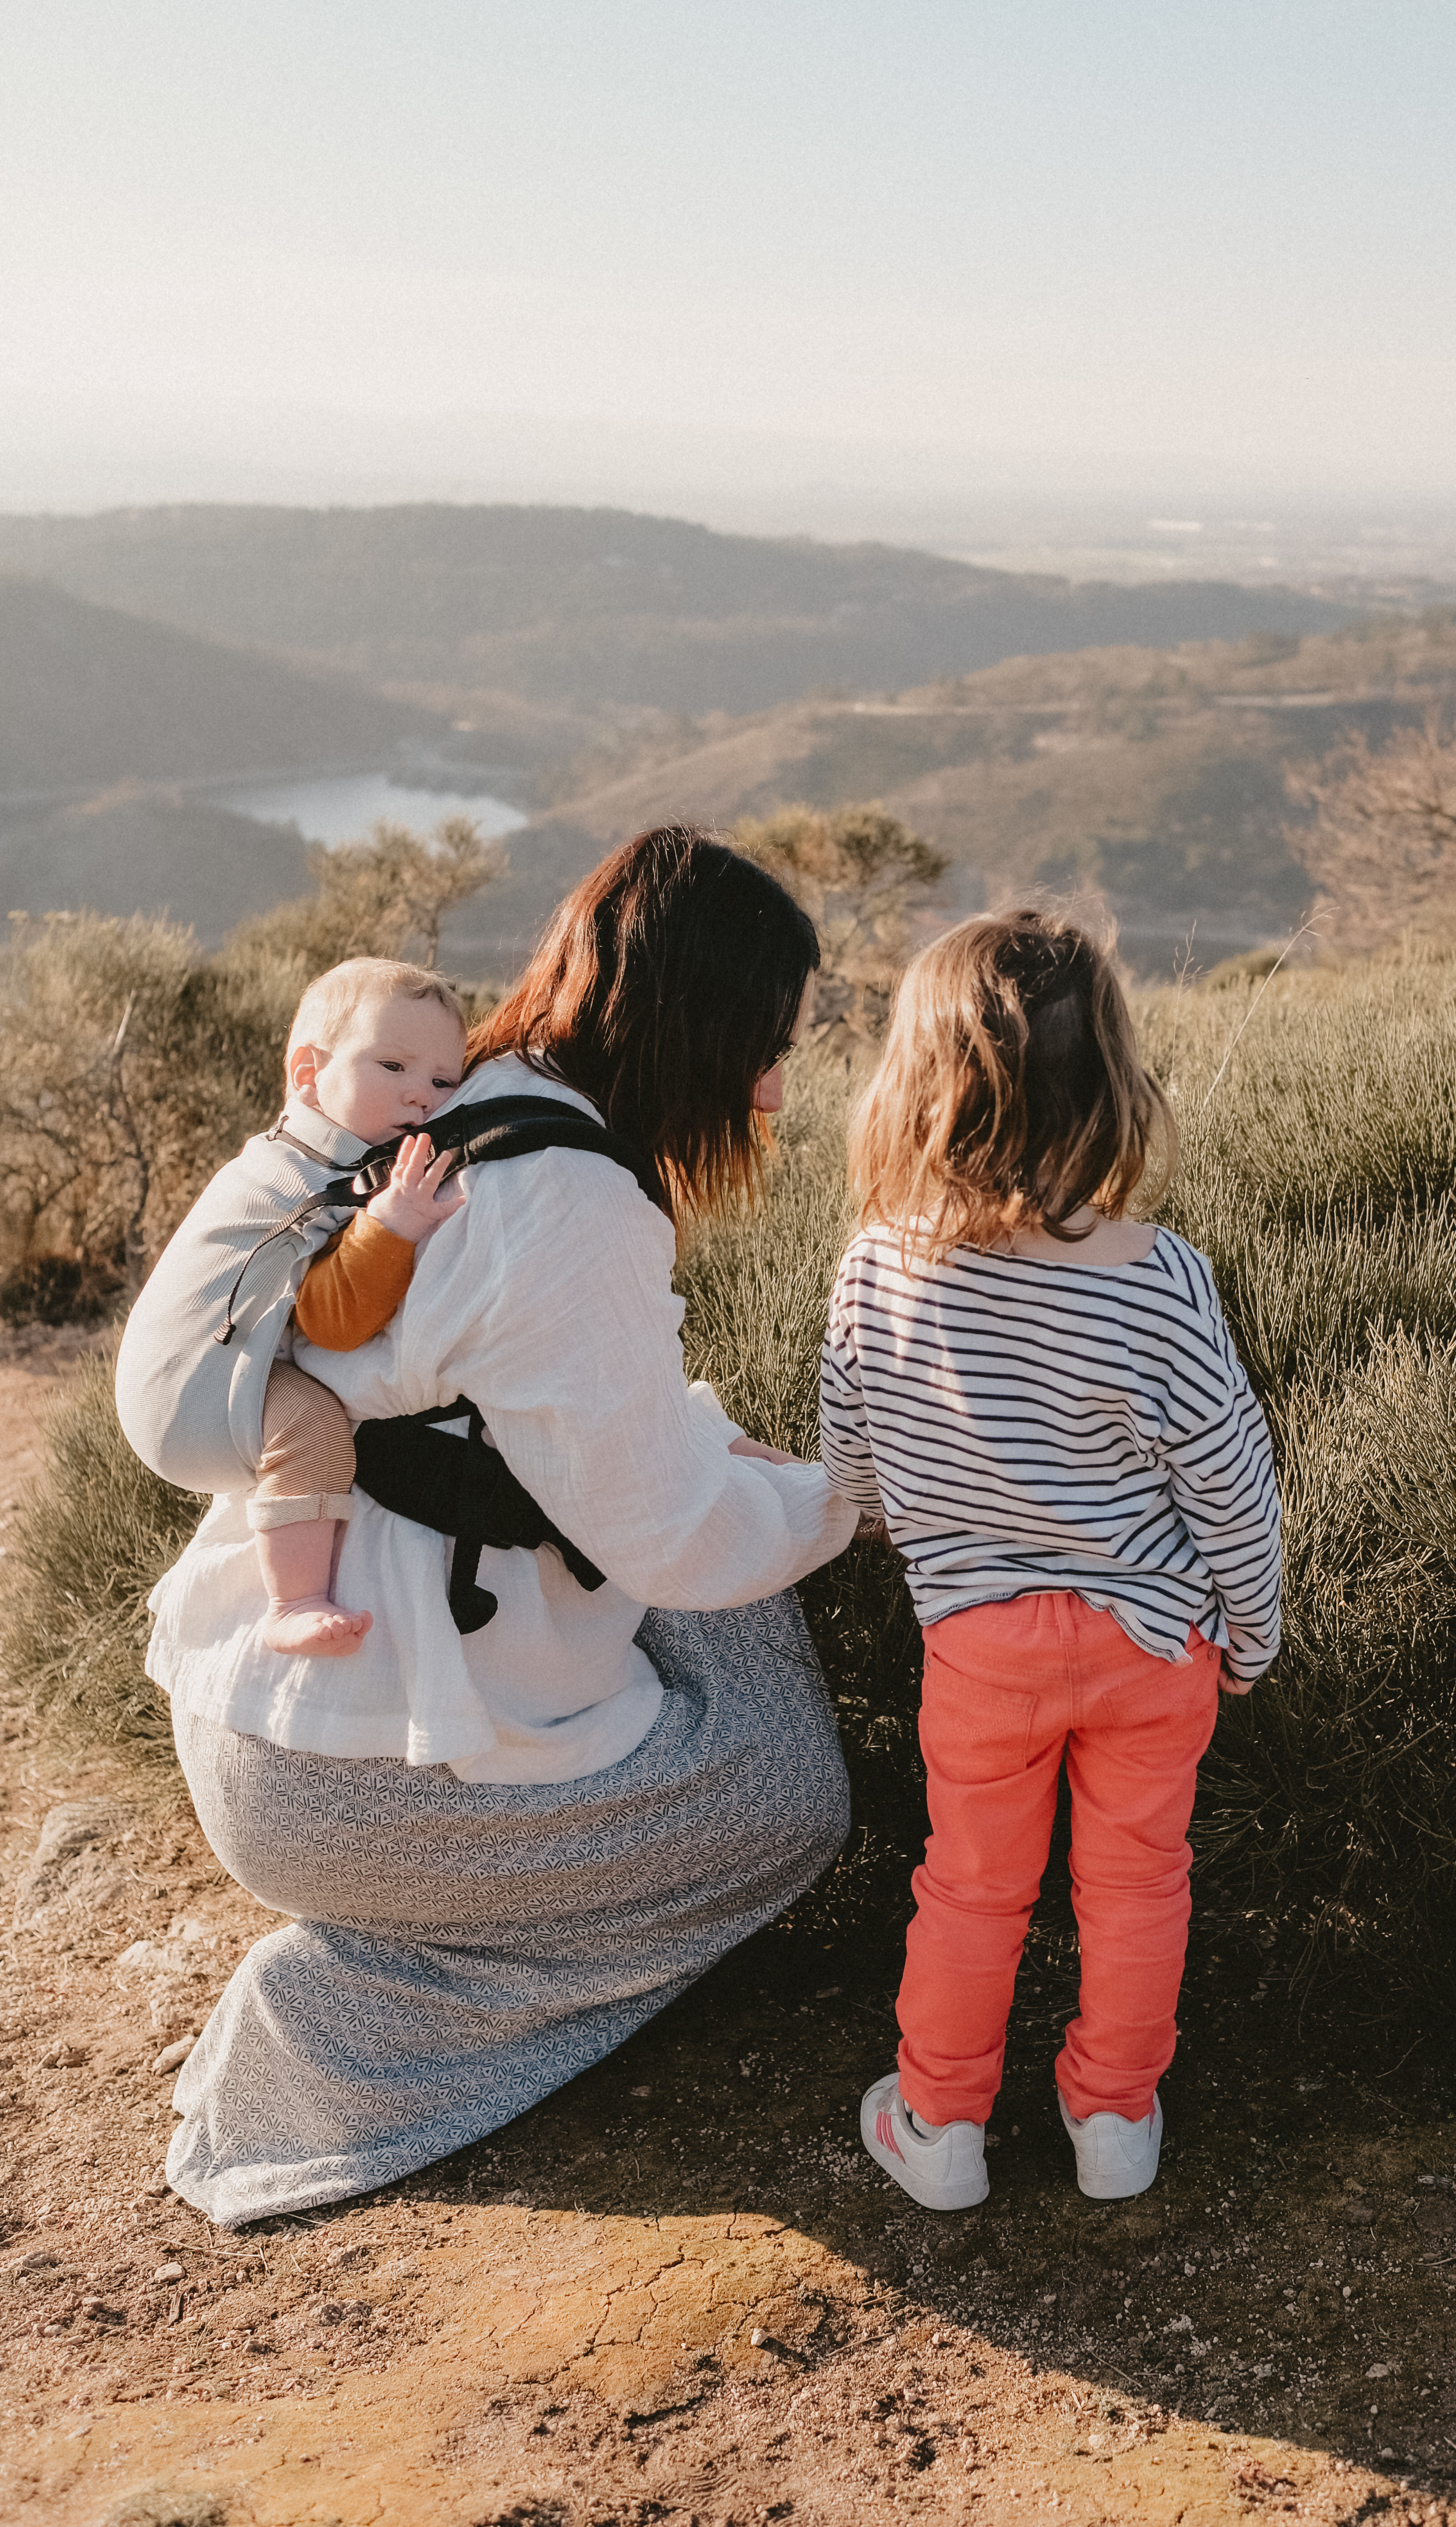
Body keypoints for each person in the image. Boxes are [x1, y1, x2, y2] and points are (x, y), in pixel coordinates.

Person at [132, 827, 862, 2226]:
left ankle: (424, 1931)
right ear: (694, 1028)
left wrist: (718, 1452)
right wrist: (849, 1499)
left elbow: (545, 1410)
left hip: (266, 1704)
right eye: (762, 1048)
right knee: (790, 1806)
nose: (772, 1093)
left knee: (735, 1544)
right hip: (349, 1787)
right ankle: (348, 2023)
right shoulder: (575, 1202)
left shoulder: (490, 1095)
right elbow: (673, 1537)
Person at [819, 909, 1282, 2210]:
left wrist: (871, 1517)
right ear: (1108, 1085)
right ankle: (1115, 2120)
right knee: (1137, 1885)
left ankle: (943, 2125)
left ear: (921, 1085)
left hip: (982, 1646)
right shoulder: (1160, 1276)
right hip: (1153, 1643)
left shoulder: (876, 1271)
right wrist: (1253, 1630)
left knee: (972, 1886)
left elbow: (848, 1456)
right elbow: (1231, 1482)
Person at [114, 959, 473, 1661]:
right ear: (308, 1075)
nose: (420, 1096)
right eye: (393, 1065)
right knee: (315, 1429)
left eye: (443, 1081)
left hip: (176, 1380)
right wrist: (392, 1226)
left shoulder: (298, 1153)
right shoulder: (312, 1178)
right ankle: (295, 1601)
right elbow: (334, 1320)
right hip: (191, 1395)